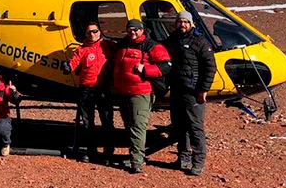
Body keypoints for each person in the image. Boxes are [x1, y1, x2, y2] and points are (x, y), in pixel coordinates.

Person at [111, 19, 172, 174]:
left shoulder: (151, 45)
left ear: (142, 30)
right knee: (129, 125)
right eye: (130, 29)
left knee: (138, 126)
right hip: (123, 92)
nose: (133, 32)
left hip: (141, 92)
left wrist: (146, 70)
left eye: (136, 30)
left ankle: (136, 161)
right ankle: (135, 155)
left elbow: (166, 66)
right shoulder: (122, 45)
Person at [167, 11, 216, 176]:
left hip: (193, 91)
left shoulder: (200, 41)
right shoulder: (172, 40)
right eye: (180, 21)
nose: (182, 25)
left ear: (191, 24)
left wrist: (203, 89)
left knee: (195, 127)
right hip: (176, 90)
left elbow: (210, 67)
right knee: (179, 127)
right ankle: (183, 158)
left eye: (185, 22)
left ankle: (198, 162)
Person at [67, 21, 115, 163]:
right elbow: (74, 62)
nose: (92, 34)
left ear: (100, 32)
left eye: (95, 31)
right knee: (88, 123)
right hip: (86, 89)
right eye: (89, 32)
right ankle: (91, 151)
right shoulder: (82, 49)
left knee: (107, 121)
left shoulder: (108, 46)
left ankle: (108, 152)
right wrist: (67, 67)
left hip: (104, 89)